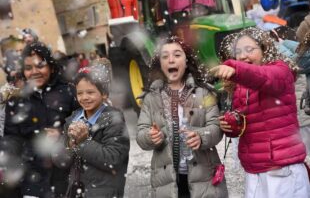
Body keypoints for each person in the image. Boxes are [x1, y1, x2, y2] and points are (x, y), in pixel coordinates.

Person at [210, 27, 310, 198]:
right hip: (255, 172)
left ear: (265, 49)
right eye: (238, 52)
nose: (242, 56)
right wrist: (233, 124)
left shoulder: (280, 71)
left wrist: (235, 68)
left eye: (250, 50)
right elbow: (244, 121)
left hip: (282, 173)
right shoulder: (241, 86)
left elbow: (264, 77)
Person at [136, 36, 228, 198]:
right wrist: (150, 137)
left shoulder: (203, 93)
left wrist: (201, 136)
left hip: (203, 175)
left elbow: (215, 127)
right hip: (167, 179)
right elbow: (140, 134)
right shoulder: (151, 98)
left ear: (187, 61)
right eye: (165, 56)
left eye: (177, 55)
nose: (171, 60)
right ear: (160, 64)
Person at [1, 42, 79, 198]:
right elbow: (12, 138)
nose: (34, 72)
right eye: (28, 68)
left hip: (68, 174)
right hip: (33, 179)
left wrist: (62, 133)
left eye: (40, 65)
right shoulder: (16, 101)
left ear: (51, 66)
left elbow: (84, 124)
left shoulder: (69, 92)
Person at [52, 64, 129, 198]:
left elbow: (113, 159)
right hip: (76, 191)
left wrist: (82, 142)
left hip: (104, 192)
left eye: (90, 92)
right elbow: (60, 161)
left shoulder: (113, 120)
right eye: (80, 93)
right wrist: (70, 144)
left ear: (104, 94)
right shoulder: (73, 120)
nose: (84, 97)